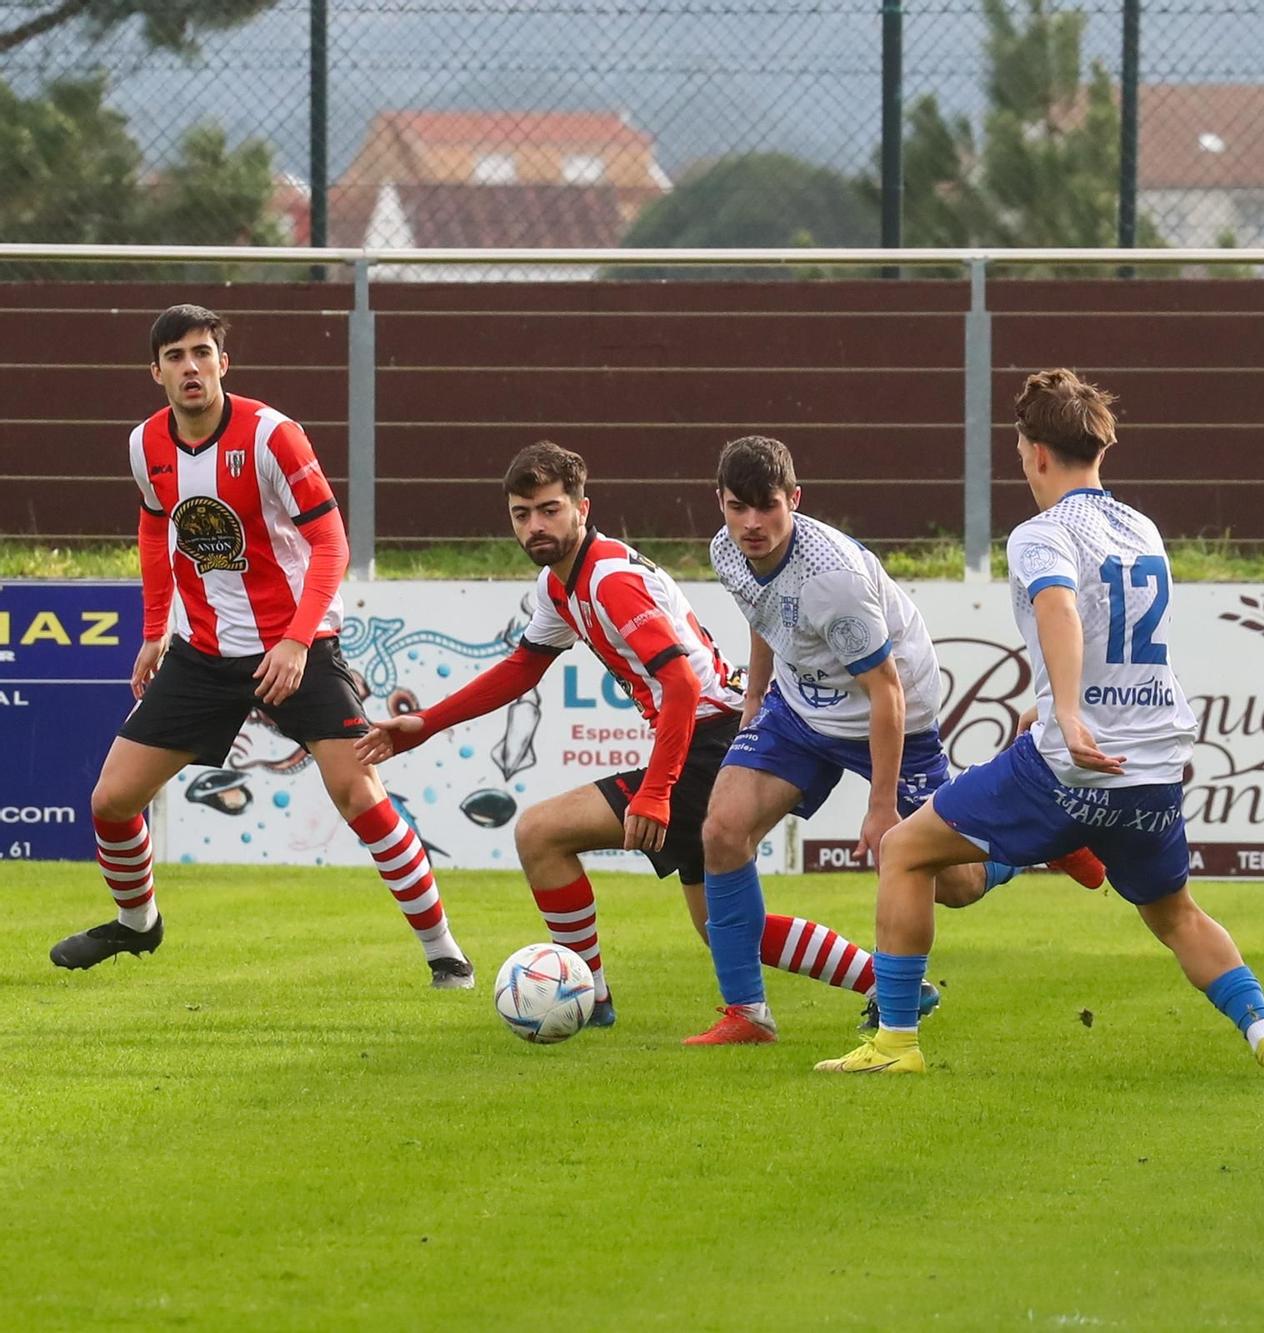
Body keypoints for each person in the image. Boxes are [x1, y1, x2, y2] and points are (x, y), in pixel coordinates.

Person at [815, 370, 1264, 1077]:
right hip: (1151, 769)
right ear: (1101, 448)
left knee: (907, 850)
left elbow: (1060, 607)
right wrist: (1058, 704)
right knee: (1176, 914)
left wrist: (1065, 710)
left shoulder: (1040, 534)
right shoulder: (1140, 526)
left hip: (1071, 764)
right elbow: (1112, 633)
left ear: (1033, 452)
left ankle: (896, 1043)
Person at [356, 441, 904, 1026]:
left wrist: (656, 789)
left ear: (581, 509)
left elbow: (683, 688)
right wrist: (425, 724)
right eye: (522, 514)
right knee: (721, 928)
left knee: (541, 834)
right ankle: (893, 984)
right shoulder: (561, 585)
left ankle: (589, 1000)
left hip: (708, 741)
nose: (536, 526)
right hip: (701, 739)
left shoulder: (609, 580)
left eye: (549, 510)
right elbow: (522, 667)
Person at [51, 304, 473, 987]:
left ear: (224, 362)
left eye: (203, 352)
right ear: (155, 371)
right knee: (111, 800)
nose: (192, 366)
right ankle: (137, 923)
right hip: (205, 655)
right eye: (177, 356)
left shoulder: (273, 435)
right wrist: (155, 630)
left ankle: (444, 951)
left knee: (358, 794)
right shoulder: (145, 446)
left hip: (297, 647)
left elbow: (330, 541)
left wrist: (299, 640)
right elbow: (156, 533)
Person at [697, 434, 1106, 1046]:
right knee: (722, 831)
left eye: (768, 507)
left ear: (795, 500)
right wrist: (755, 699)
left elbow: (884, 693)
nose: (752, 524)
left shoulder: (830, 580)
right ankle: (747, 1015)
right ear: (720, 503)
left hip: (892, 711)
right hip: (799, 706)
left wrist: (881, 807)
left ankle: (1032, 844)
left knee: (954, 885)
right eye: (737, 507)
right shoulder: (727, 551)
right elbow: (764, 614)